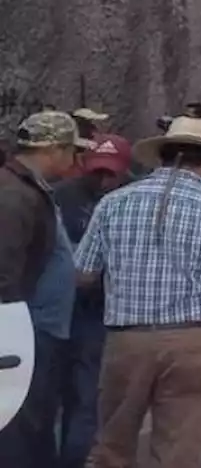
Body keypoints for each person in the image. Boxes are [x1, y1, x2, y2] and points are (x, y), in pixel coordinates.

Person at [74, 116, 201, 468]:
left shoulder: (113, 203)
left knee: (112, 445)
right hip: (192, 340)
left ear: (162, 155)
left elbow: (82, 274)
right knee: (178, 449)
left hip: (126, 339)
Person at [0, 111, 92, 467]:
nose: (74, 160)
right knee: (22, 430)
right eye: (71, 151)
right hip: (26, 336)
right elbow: (4, 275)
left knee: (36, 423)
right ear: (54, 150)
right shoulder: (14, 197)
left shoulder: (27, 189)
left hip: (37, 332)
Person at [53, 135, 133, 468]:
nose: (103, 180)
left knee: (94, 395)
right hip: (65, 307)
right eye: (97, 171)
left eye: (110, 173)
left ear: (125, 171)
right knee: (70, 393)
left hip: (108, 309)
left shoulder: (131, 199)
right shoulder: (63, 195)